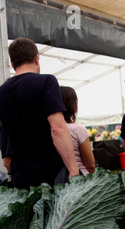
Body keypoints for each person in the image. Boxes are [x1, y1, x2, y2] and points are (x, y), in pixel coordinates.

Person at [0, 38, 79, 189]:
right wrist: (73, 169)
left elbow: (4, 137)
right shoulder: (46, 82)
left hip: (20, 177)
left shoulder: (2, 92)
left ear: (12, 63)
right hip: (49, 176)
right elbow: (58, 128)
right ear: (37, 58)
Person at [60, 86, 96, 176]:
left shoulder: (47, 130)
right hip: (79, 179)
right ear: (73, 104)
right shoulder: (77, 129)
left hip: (55, 180)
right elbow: (90, 164)